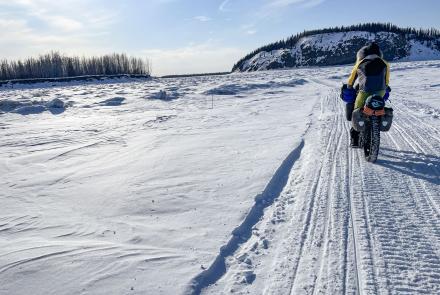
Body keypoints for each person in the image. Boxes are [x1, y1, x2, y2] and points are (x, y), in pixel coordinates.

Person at [346, 42, 390, 147]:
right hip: (380, 91)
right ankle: (377, 123)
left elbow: (352, 78)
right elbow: (387, 80)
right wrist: (385, 88)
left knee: (356, 111)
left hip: (364, 91)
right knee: (379, 107)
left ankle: (355, 140)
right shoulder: (385, 63)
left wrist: (349, 86)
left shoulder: (361, 62)